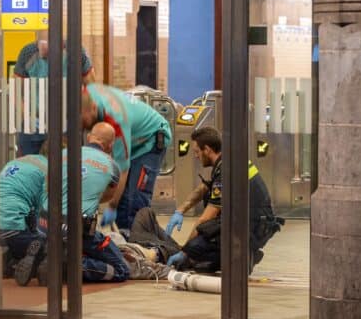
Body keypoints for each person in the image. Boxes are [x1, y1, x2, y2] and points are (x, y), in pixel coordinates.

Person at [166, 126, 283, 274]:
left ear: (207, 149)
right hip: (252, 221)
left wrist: (184, 252)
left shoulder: (226, 170)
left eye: (197, 152)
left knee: (195, 248)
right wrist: (180, 211)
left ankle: (242, 257)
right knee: (197, 247)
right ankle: (239, 253)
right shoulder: (227, 160)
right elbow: (205, 187)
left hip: (252, 227)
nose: (196, 156)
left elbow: (206, 218)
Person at [29, 122, 130, 285]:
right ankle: (64, 266)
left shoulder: (61, 154)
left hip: (43, 222)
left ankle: (44, 254)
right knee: (121, 270)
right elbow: (105, 197)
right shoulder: (112, 165)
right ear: (110, 146)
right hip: (76, 229)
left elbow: (47, 187)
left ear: (89, 138)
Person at [80, 83, 173, 230]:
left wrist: (111, 206)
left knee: (133, 203)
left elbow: (122, 171)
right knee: (123, 199)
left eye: (84, 121)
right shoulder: (87, 92)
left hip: (151, 140)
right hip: (133, 139)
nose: (82, 125)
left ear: (92, 108)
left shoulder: (116, 122)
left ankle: (139, 244)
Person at [12, 32, 96, 156]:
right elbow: (16, 88)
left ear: (60, 46)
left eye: (48, 50)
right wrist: (26, 115)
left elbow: (91, 86)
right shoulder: (28, 52)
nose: (44, 53)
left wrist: (84, 114)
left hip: (67, 120)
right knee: (28, 160)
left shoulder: (76, 51)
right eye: (41, 48)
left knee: (69, 162)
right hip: (35, 120)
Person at [0, 153, 49, 286]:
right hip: (15, 225)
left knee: (20, 241)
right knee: (51, 248)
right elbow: (43, 210)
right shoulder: (48, 170)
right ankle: (38, 255)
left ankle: (12, 263)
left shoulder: (14, 162)